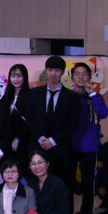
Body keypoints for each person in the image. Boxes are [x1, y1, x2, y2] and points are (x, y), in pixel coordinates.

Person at [26, 56, 80, 200]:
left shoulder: (72, 97)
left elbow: (73, 124)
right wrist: (41, 138)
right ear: (46, 71)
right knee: (37, 189)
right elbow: (30, 119)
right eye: (50, 70)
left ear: (62, 72)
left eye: (57, 70)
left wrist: (53, 140)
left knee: (63, 187)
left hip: (62, 149)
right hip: (38, 148)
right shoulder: (34, 93)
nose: (53, 73)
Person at [69, 62, 108, 214]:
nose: (81, 77)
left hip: (89, 146)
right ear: (72, 77)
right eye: (77, 74)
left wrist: (92, 94)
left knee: (88, 182)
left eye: (84, 74)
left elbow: (103, 114)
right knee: (67, 181)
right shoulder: (67, 96)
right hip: (69, 145)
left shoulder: (95, 96)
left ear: (89, 77)